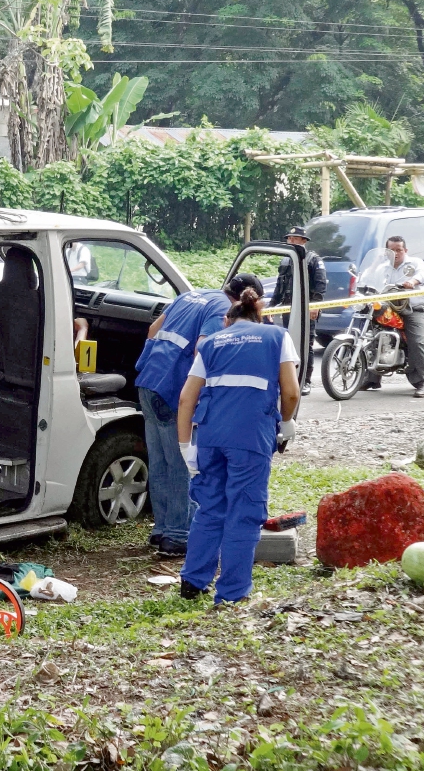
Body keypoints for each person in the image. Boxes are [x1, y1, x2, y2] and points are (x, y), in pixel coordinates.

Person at [175, 287, 301, 603]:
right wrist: (286, 423)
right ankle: (232, 593)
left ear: (226, 320)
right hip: (250, 437)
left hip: (211, 438)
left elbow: (186, 398)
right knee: (244, 512)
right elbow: (292, 393)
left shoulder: (212, 343)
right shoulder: (277, 337)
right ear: (258, 315)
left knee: (211, 507)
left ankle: (192, 583)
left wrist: (184, 446)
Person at [134, 273, 265, 557]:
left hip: (148, 381)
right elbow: (201, 350)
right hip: (173, 388)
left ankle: (162, 530)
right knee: (182, 464)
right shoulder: (221, 309)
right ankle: (178, 536)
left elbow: (152, 330)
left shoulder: (191, 295)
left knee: (160, 462)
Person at [361, 236, 424, 398]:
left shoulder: (415, 263)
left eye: (399, 249)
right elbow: (366, 278)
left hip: (414, 309)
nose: (396, 253)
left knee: (416, 340)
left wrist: (413, 281)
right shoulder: (383, 268)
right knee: (374, 336)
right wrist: (374, 264)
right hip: (389, 308)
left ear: (405, 250)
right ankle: (372, 378)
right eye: (391, 250)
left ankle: (421, 382)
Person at [267, 226, 327, 396]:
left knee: (306, 344)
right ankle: (289, 380)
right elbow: (280, 286)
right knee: (289, 344)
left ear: (303, 241)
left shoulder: (314, 260)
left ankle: (305, 381)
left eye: (295, 238)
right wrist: (271, 306)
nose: (291, 241)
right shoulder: (286, 260)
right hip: (288, 308)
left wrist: (315, 305)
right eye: (289, 238)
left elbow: (320, 285)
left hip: (306, 309)